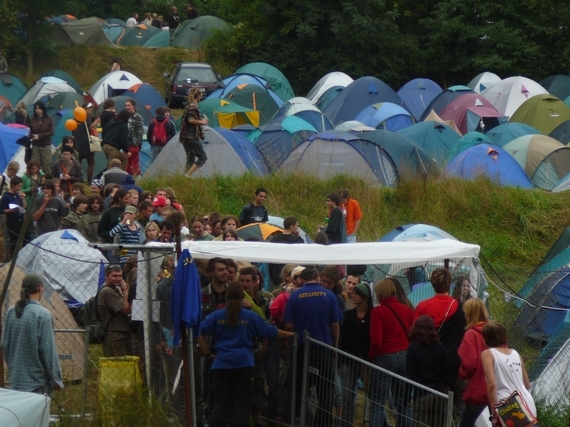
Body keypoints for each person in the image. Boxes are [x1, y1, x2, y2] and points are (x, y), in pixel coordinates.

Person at [197, 281, 293, 427]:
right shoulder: (250, 316)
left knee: (220, 402)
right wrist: (291, 334)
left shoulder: (217, 316)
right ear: (243, 297)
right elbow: (269, 331)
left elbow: (199, 333)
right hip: (244, 363)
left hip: (221, 364)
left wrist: (207, 353)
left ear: (226, 297)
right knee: (241, 403)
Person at [284, 267, 340, 427]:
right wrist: (335, 348)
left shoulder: (295, 297)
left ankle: (297, 419)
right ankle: (323, 422)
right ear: (316, 277)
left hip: (301, 349)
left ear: (302, 279)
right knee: (324, 390)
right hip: (323, 349)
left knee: (299, 388)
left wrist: (291, 345)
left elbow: (289, 326)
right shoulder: (329, 296)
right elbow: (335, 326)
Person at [414, 268, 466, 417]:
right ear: (449, 284)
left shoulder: (423, 306)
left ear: (432, 284)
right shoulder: (460, 307)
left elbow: (414, 335)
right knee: (461, 409)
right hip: (456, 362)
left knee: (435, 412)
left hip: (432, 366)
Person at [1, 273, 63, 394]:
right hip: (37, 383)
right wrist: (56, 378)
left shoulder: (11, 312)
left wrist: (13, 367)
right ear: (40, 288)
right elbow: (48, 351)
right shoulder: (42, 315)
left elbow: (5, 344)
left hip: (16, 380)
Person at [369, 279, 414, 427]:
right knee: (404, 401)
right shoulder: (407, 310)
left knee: (377, 402)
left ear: (380, 294)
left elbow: (376, 341)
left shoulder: (378, 312)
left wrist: (371, 356)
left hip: (385, 357)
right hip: (405, 356)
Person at [481, 322, 537, 425]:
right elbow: (527, 384)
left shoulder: (487, 354)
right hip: (527, 404)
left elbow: (492, 384)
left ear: (485, 338)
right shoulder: (515, 353)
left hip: (507, 407)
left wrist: (494, 411)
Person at [406, 315, 451, 427]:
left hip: (422, 394)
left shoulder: (413, 348)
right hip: (439, 393)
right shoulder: (440, 347)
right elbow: (447, 372)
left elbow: (410, 375)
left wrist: (406, 397)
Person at [339, 282, 372, 427]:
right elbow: (343, 339)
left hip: (366, 361)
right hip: (349, 360)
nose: (353, 295)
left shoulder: (373, 315)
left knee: (372, 395)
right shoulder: (349, 315)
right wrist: (340, 361)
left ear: (364, 297)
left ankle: (381, 421)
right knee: (347, 396)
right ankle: (346, 423)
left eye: (357, 294)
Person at [458, 299, 490, 427]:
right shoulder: (493, 331)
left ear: (471, 314)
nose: (464, 315)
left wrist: (461, 374)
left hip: (477, 391)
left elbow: (469, 364)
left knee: (466, 423)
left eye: (466, 312)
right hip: (497, 391)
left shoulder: (471, 334)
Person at [97, 264, 131, 356]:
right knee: (119, 364)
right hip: (115, 335)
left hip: (119, 334)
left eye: (120, 276)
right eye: (114, 276)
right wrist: (125, 291)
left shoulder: (114, 289)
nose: (118, 279)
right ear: (107, 276)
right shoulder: (107, 291)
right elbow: (126, 309)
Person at [179, 88, 208, 176]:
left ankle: (184, 179)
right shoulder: (193, 107)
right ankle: (188, 175)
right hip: (192, 136)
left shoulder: (188, 106)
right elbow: (191, 120)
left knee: (190, 159)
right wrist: (202, 122)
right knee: (203, 157)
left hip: (185, 136)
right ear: (198, 96)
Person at [0, 176, 28, 257]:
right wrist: (11, 210)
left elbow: (24, 207)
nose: (20, 188)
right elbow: (1, 210)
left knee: (23, 239)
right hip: (12, 220)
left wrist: (22, 199)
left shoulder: (18, 195)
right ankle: (12, 257)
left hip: (21, 219)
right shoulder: (6, 196)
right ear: (13, 185)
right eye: (18, 186)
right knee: (14, 240)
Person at [72, 102, 96, 184]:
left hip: (77, 143)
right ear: (85, 109)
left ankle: (78, 180)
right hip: (86, 143)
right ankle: (88, 182)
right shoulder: (86, 118)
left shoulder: (74, 119)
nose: (91, 111)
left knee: (78, 163)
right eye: (90, 109)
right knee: (91, 163)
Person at [30, 101, 55, 174]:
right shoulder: (32, 119)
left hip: (46, 145)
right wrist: (32, 136)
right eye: (36, 108)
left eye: (39, 108)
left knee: (46, 166)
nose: (38, 110)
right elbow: (30, 132)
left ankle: (47, 182)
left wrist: (39, 136)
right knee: (35, 165)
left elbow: (51, 132)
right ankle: (36, 182)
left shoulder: (49, 118)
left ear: (43, 109)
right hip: (36, 146)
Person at [125, 99, 144, 176]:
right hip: (126, 144)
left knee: (134, 166)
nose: (127, 107)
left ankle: (134, 181)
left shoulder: (137, 117)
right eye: (126, 105)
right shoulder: (125, 116)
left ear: (133, 106)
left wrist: (138, 145)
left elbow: (140, 132)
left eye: (129, 105)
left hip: (134, 144)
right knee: (126, 165)